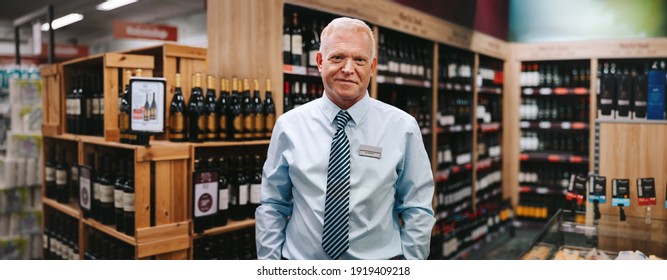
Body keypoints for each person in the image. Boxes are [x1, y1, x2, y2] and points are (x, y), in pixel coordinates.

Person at [255, 17, 435, 260]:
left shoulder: (402, 128)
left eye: (359, 59)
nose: (348, 69)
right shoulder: (289, 126)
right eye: (337, 57)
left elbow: (418, 208)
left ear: (372, 67)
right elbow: (273, 205)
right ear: (320, 62)